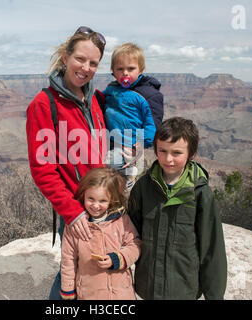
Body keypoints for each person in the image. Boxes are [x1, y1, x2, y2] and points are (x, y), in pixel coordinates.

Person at [26, 26, 107, 300]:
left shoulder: (95, 99)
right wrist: (72, 212)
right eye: (80, 59)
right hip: (77, 210)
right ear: (65, 57)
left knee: (96, 270)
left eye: (93, 63)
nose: (85, 68)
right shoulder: (44, 104)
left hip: (103, 203)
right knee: (70, 273)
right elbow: (43, 170)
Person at [127, 117, 227, 300]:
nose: (168, 159)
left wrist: (215, 295)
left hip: (183, 290)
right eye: (162, 151)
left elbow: (212, 249)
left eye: (176, 153)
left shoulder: (200, 194)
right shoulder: (143, 187)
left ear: (192, 153)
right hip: (147, 286)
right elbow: (129, 234)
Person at [60, 167, 141, 300]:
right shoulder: (75, 226)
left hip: (121, 294)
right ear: (83, 195)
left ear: (112, 199)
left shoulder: (121, 220)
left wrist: (117, 258)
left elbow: (135, 244)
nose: (96, 206)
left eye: (102, 201)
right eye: (91, 199)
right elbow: (68, 258)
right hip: (89, 293)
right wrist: (68, 289)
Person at [103, 43, 163, 185]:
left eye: (131, 68)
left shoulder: (149, 95)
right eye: (120, 69)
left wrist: (137, 148)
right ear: (113, 71)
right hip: (110, 142)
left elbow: (152, 125)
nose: (125, 73)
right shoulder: (111, 89)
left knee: (121, 182)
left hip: (130, 149)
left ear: (141, 69)